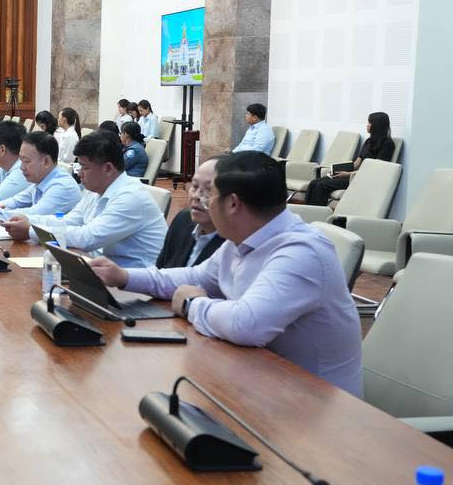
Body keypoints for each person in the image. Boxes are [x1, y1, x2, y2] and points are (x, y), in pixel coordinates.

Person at [89, 151, 363, 395]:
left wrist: (191, 303)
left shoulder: (301, 252)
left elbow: (246, 324)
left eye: (210, 195)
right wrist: (123, 276)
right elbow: (191, 278)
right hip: (260, 379)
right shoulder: (242, 239)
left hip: (314, 405)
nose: (202, 201)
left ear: (232, 204)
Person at [27, 132, 167, 267]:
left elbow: (87, 238)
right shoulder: (94, 190)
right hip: (103, 270)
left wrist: (30, 230)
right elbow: (68, 220)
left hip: (133, 279)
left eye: (85, 167)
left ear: (108, 169)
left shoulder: (131, 197)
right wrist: (27, 221)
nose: (79, 173)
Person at [0, 131, 84, 239]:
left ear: (46, 161)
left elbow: (35, 214)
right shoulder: (42, 180)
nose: (22, 167)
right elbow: (16, 201)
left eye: (27, 161)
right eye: (21, 160)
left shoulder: (62, 187)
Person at [305, 111, 395, 205]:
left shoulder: (388, 145)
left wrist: (347, 174)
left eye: (369, 123)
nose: (367, 125)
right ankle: (307, 211)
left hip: (363, 179)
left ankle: (318, 212)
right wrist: (337, 170)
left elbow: (375, 170)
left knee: (321, 185)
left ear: (376, 125)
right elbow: (356, 163)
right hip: (353, 175)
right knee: (313, 183)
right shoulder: (369, 141)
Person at [156, 157, 224, 268]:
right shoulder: (183, 219)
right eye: (195, 186)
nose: (196, 196)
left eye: (209, 189)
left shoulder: (235, 243)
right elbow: (160, 270)